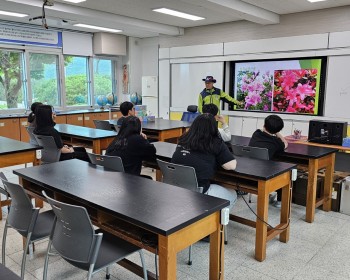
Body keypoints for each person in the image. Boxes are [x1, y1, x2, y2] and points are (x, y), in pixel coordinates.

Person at [171, 113, 237, 209]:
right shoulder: (215, 142)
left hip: (176, 187)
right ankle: (216, 222)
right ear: (214, 128)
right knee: (232, 194)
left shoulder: (183, 139)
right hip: (198, 192)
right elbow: (231, 166)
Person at [249, 115, 288, 208]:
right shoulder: (276, 142)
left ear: (264, 125)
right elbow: (285, 144)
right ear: (279, 129)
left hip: (250, 170)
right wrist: (278, 133)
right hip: (265, 174)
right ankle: (279, 201)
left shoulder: (256, 134)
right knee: (284, 168)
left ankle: (271, 195)